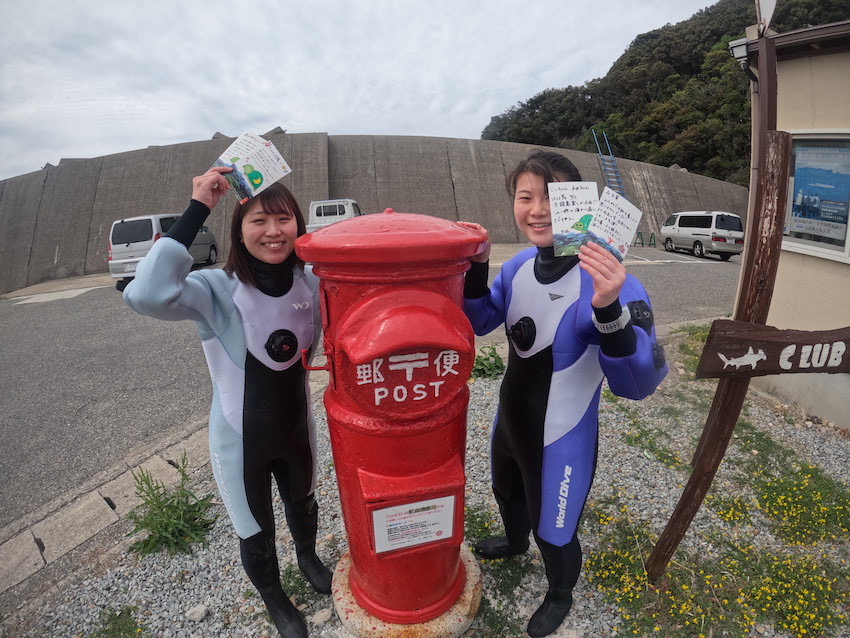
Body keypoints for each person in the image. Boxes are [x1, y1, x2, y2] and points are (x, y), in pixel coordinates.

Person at [458, 150, 668, 637]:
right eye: (524, 197)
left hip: (563, 434)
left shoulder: (613, 280)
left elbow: (637, 382)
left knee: (553, 530)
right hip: (509, 420)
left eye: (552, 196)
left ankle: (559, 591)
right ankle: (513, 544)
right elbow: (480, 320)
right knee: (506, 491)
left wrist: (609, 307)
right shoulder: (518, 267)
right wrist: (476, 266)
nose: (537, 210)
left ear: (581, 205)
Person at [124, 166, 331, 638]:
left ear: (299, 225)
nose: (274, 231)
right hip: (240, 440)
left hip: (298, 428)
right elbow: (147, 294)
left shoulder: (314, 283)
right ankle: (276, 600)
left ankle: (308, 557)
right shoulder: (216, 291)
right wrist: (200, 205)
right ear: (239, 231)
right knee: (255, 531)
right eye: (259, 220)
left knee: (304, 502)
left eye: (284, 219)